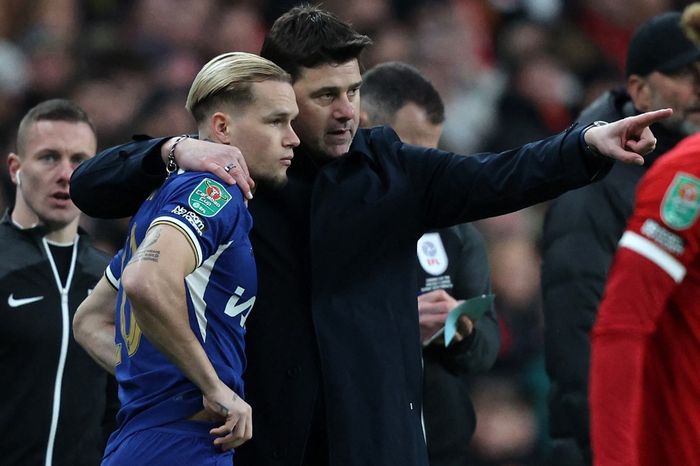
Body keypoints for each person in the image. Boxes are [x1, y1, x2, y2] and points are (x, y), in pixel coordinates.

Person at [70, 5, 669, 466]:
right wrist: (174, 149)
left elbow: (500, 175)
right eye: (325, 95)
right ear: (282, 92)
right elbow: (92, 188)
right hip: (260, 444)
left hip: (375, 442)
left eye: (353, 91)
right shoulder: (232, 173)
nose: (347, 110)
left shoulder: (394, 169)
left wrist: (586, 145)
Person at [72, 52, 299, 465]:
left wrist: (159, 379)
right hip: (182, 443)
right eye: (276, 121)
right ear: (223, 127)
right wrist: (210, 385)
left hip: (146, 438)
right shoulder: (214, 193)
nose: (292, 137)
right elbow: (145, 281)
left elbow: (90, 319)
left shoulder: (163, 200)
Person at [540, 6, 700, 465]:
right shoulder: (593, 186)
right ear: (639, 90)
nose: (698, 89)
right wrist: (603, 449)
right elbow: (585, 328)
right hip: (622, 437)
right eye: (683, 75)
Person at [360, 61, 499, 466]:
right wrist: (400, 324)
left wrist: (462, 330)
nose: (425, 165)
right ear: (365, 128)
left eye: (432, 150)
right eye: (412, 148)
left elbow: (487, 345)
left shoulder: (453, 229)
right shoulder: (324, 222)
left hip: (442, 446)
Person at [0, 99, 117, 466]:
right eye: (49, 157)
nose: (67, 174)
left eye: (80, 161)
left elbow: (118, 404)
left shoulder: (110, 277)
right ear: (16, 168)